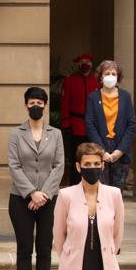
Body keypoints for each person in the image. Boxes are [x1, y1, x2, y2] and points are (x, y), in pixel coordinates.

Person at [7, 86, 64, 270]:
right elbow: (14, 165)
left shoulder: (56, 134)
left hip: (49, 201)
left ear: (45, 105)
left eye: (40, 103)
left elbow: (59, 166)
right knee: (24, 250)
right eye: (32, 103)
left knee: (43, 249)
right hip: (21, 200)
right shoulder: (16, 134)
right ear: (25, 105)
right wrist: (31, 193)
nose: (36, 107)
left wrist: (44, 195)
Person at [84, 59, 136, 190]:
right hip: (100, 148)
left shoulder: (125, 96)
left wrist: (120, 150)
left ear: (118, 76)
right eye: (107, 73)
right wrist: (102, 150)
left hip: (120, 148)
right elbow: (89, 125)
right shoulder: (93, 97)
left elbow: (131, 124)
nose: (110, 76)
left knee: (117, 194)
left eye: (114, 73)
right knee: (100, 192)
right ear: (101, 76)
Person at [60, 53, 97, 184]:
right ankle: (75, 186)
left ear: (92, 64)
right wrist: (66, 124)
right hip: (76, 126)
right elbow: (65, 103)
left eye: (88, 61)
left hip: (94, 126)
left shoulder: (96, 81)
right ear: (78, 64)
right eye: (82, 61)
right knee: (77, 158)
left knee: (94, 156)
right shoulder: (70, 81)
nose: (85, 64)